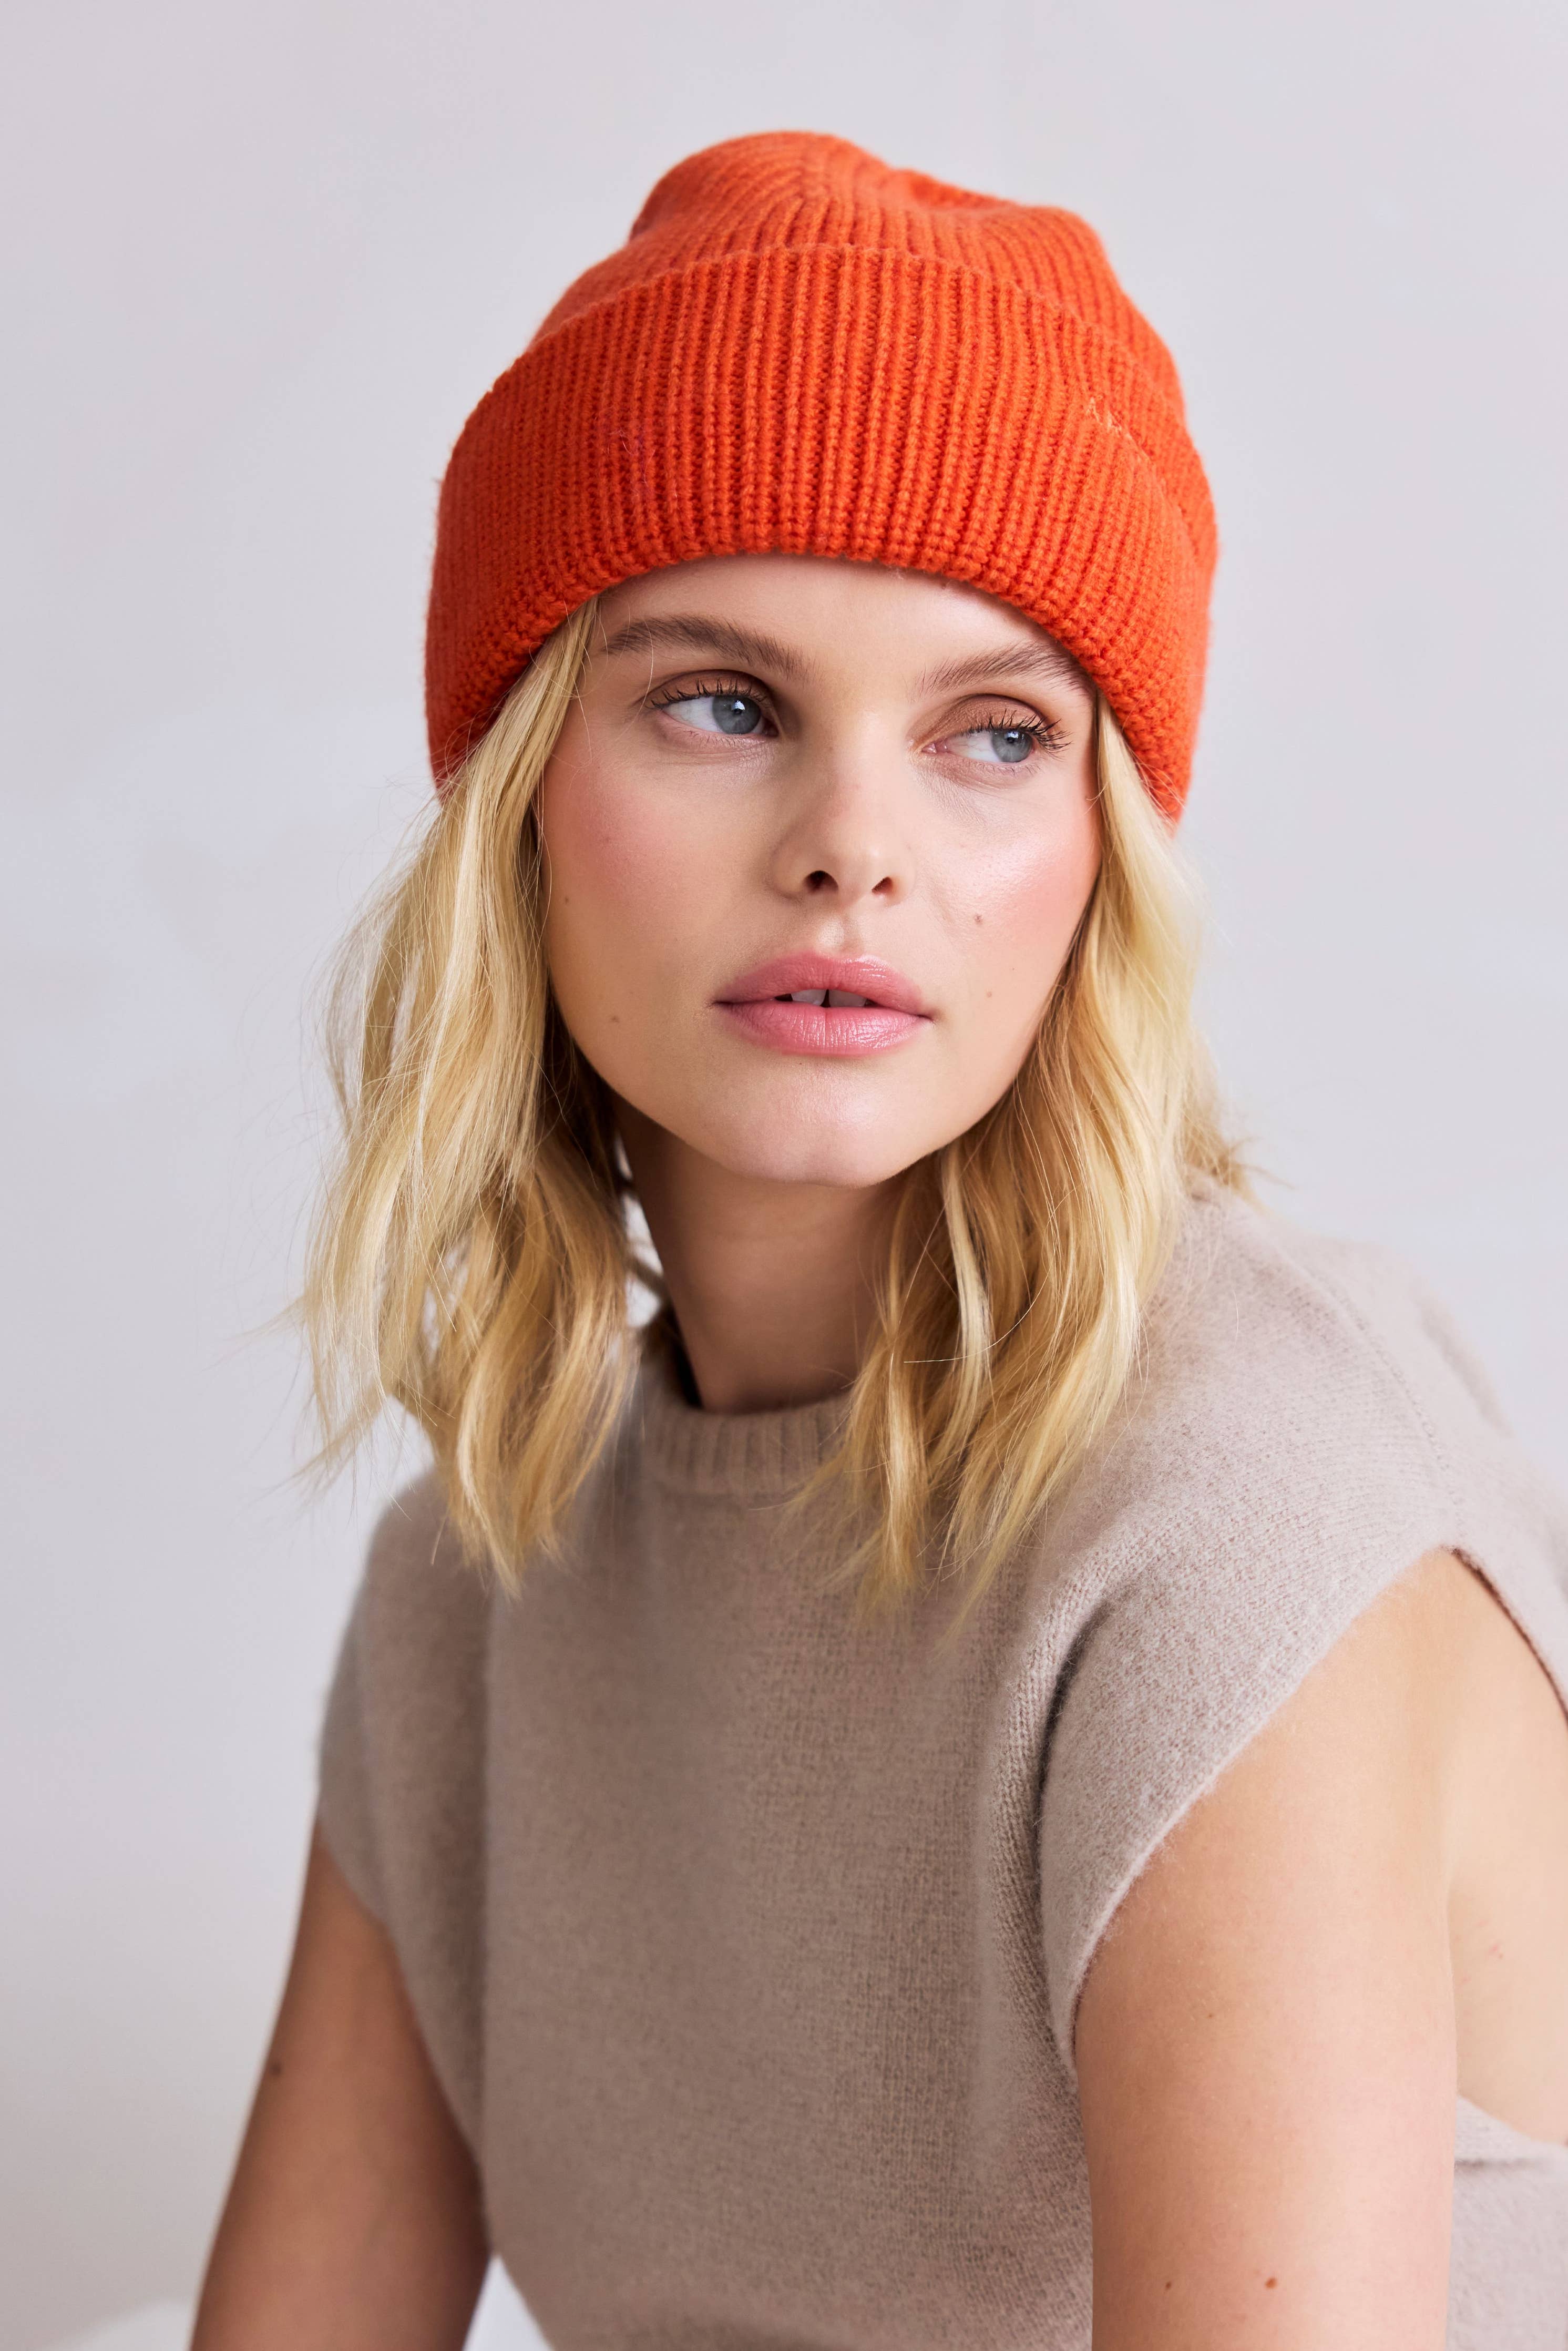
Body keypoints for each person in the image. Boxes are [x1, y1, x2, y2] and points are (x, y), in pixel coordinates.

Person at [192, 132, 1568, 2350]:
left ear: (1098, 861)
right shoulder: (477, 1586)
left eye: (991, 734)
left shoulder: (1247, 1521)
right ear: (523, 793)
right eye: (721, 704)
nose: (853, 846)